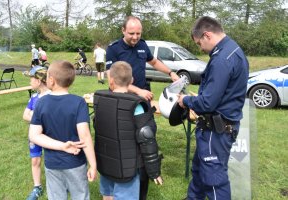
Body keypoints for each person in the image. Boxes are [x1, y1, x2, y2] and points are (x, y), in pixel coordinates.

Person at [105, 15, 179, 199]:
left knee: (146, 136)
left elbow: (153, 62)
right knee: (126, 140)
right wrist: (137, 90)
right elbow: (111, 78)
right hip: (123, 99)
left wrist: (170, 72)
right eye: (131, 33)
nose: (135, 37)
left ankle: (144, 179)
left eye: (138, 33)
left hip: (142, 99)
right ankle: (123, 178)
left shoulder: (142, 45)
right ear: (123, 30)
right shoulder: (113, 49)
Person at [177, 16, 249, 200]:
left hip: (215, 131)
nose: (200, 48)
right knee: (200, 171)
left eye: (199, 43)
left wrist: (186, 100)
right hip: (219, 127)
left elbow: (207, 104)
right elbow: (219, 93)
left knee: (214, 181)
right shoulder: (232, 50)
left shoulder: (221, 59)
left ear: (207, 35)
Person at [93, 61, 163, 200]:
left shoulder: (99, 98)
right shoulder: (137, 105)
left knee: (108, 195)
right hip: (128, 166)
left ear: (110, 79)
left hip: (105, 161)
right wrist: (154, 171)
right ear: (131, 81)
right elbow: (146, 137)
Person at [29, 60, 97, 200]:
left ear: (52, 80)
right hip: (76, 163)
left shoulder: (41, 103)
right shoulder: (79, 102)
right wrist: (93, 164)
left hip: (53, 164)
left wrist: (61, 146)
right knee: (80, 196)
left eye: (47, 76)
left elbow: (34, 135)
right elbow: (85, 136)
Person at [22, 66, 50, 200]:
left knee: (53, 159)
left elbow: (52, 117)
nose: (29, 82)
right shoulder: (34, 97)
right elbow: (25, 115)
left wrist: (34, 115)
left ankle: (60, 182)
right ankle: (37, 186)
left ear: (38, 81)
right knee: (35, 160)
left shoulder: (52, 97)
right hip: (34, 135)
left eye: (31, 79)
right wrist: (39, 116)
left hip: (51, 135)